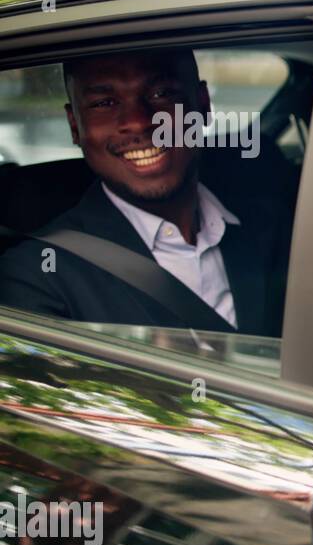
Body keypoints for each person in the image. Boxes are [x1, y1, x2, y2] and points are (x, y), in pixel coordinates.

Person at [0, 48, 289, 336]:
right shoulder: (38, 275)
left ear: (202, 105)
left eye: (161, 94)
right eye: (105, 102)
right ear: (75, 125)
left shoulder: (274, 221)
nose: (138, 121)